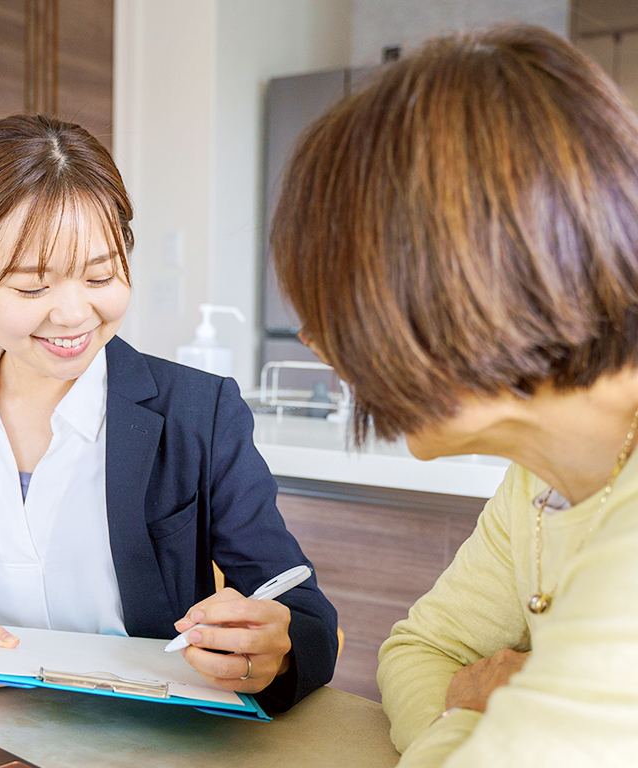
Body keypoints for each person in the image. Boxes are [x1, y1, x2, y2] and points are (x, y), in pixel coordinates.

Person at [0, 114, 337, 714]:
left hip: (144, 741)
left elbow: (306, 615)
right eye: (32, 288)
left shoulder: (199, 412)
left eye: (101, 274)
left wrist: (275, 647)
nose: (73, 314)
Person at [271, 22, 638, 766]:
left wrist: (464, 713)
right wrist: (480, 710)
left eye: (332, 312)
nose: (320, 345)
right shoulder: (542, 482)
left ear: (451, 287)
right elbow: (418, 648)